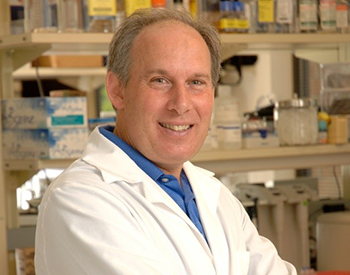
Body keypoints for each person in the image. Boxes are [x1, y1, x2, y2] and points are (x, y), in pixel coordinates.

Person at [35, 8, 297, 275]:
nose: (181, 104)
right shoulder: (79, 200)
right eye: (160, 80)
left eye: (196, 82)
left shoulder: (215, 197)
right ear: (117, 90)